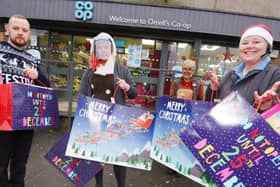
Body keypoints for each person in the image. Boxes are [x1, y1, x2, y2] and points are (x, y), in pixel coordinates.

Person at [79, 32, 137, 187]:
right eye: (100, 47)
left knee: (119, 156)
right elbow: (83, 96)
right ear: (94, 50)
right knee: (98, 155)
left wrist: (127, 86)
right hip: (96, 121)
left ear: (112, 49)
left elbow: (134, 94)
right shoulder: (89, 71)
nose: (103, 50)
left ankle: (121, 185)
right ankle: (99, 184)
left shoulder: (122, 69)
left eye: (106, 47)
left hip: (117, 120)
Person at [0, 15, 50, 187]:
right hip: (1, 121)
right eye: (16, 28)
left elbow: (46, 85)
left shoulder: (31, 58)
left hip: (24, 121)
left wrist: (37, 76)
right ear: (7, 29)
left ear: (29, 33)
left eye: (24, 30)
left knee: (19, 166)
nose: (20, 33)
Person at [207, 24, 280, 111]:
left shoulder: (276, 74)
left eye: (256, 42)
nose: (249, 46)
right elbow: (213, 105)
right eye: (245, 43)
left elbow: (276, 118)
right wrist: (213, 89)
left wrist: (267, 106)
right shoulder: (231, 74)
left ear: (268, 47)